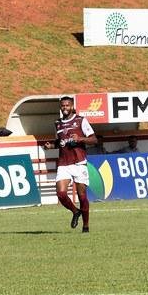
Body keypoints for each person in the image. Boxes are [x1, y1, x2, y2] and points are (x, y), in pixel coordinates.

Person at [42, 96, 97, 232]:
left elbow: (94, 140)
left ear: (72, 106)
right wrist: (51, 145)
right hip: (64, 163)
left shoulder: (80, 121)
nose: (65, 108)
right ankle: (75, 211)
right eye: (63, 106)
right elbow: (60, 142)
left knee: (82, 196)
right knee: (61, 194)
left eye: (67, 105)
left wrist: (80, 138)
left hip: (79, 162)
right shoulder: (58, 123)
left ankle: (86, 226)